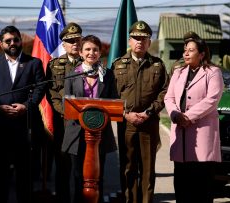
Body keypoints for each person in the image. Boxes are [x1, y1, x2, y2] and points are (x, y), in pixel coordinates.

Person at [0, 25, 46, 203]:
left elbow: (41, 87)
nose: (12, 43)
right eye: (8, 41)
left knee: (25, 175)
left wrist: (26, 106)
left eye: (15, 39)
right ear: (1, 44)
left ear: (20, 41)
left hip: (24, 126)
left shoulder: (34, 63)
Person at [111, 20, 169, 203]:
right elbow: (111, 94)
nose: (140, 41)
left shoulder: (158, 65)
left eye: (144, 38)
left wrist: (149, 112)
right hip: (126, 122)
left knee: (147, 167)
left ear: (149, 42)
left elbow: (165, 92)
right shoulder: (117, 65)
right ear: (129, 41)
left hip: (149, 122)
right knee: (128, 166)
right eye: (136, 38)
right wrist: (125, 113)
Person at [164, 33, 224, 203]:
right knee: (182, 185)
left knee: (201, 187)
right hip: (180, 137)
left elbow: (212, 100)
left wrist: (188, 117)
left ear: (202, 53)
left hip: (202, 136)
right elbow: (169, 98)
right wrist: (175, 114)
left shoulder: (213, 72)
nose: (186, 54)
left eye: (191, 50)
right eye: (185, 50)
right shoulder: (178, 72)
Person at [62, 35, 117, 203]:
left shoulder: (107, 76)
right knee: (78, 176)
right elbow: (67, 105)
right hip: (77, 133)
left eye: (95, 50)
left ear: (100, 53)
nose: (91, 53)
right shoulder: (72, 75)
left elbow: (113, 100)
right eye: (87, 49)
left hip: (100, 134)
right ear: (80, 52)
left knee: (97, 177)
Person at [45, 22, 83, 203]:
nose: (75, 43)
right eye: (70, 41)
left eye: (77, 40)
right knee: (62, 166)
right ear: (64, 44)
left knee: (81, 168)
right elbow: (51, 93)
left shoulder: (90, 64)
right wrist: (65, 111)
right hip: (63, 122)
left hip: (84, 123)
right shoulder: (54, 65)